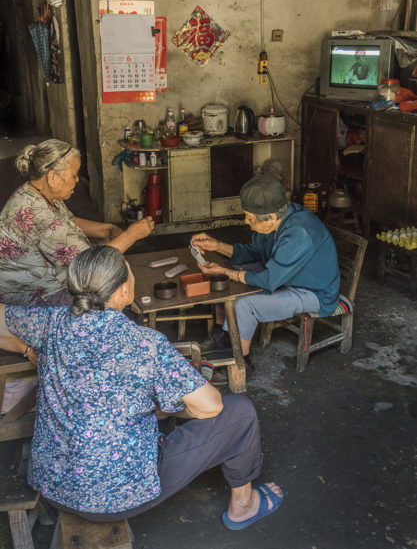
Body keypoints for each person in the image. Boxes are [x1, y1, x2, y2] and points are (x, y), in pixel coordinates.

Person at [0, 245, 283, 528]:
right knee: (240, 411)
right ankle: (243, 505)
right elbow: (211, 407)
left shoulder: (52, 321)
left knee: (158, 410)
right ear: (124, 290)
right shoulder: (145, 342)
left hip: (54, 485)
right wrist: (172, 410)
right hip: (116, 498)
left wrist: (27, 350)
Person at [192, 174, 340, 370]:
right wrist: (217, 246)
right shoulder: (277, 220)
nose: (246, 222)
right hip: (285, 277)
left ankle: (240, 364)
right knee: (227, 276)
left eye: (251, 218)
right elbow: (252, 252)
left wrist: (227, 272)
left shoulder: (299, 233)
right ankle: (224, 332)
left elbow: (270, 280)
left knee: (245, 304)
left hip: (313, 292)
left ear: (271, 216)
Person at [0, 139, 154, 306]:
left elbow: (69, 221)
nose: (77, 180)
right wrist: (131, 235)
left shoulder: (37, 191)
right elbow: (91, 265)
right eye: (74, 175)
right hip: (31, 297)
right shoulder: (37, 213)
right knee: (107, 288)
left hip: (43, 280)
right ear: (52, 177)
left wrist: (107, 229)